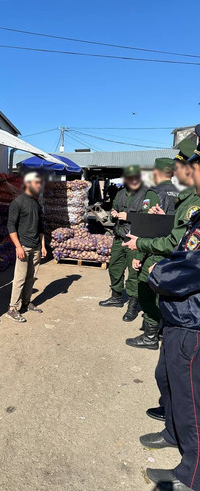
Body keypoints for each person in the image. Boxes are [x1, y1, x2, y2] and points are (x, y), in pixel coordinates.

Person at [122, 141, 200, 423]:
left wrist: (142, 245)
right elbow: (179, 234)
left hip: (189, 303)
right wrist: (163, 220)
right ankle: (171, 417)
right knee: (170, 371)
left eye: (184, 167)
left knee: (183, 375)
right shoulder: (182, 199)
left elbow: (181, 246)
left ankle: (180, 433)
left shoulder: (192, 201)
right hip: (181, 292)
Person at [140, 145, 200, 491]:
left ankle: (191, 476)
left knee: (192, 400)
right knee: (169, 379)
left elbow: (179, 269)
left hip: (192, 319)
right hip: (179, 316)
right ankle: (173, 433)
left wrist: (153, 270)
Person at [123, 158, 178, 350]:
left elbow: (147, 226)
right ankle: (162, 329)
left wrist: (139, 252)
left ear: (157, 171)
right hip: (173, 249)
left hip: (154, 251)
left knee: (146, 291)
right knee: (165, 293)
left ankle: (150, 336)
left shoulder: (153, 194)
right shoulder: (181, 194)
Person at [99, 165, 159, 322]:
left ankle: (132, 305)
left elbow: (151, 220)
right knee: (114, 267)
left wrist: (130, 216)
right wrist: (113, 214)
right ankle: (116, 296)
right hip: (119, 238)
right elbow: (113, 210)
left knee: (134, 274)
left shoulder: (148, 195)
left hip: (135, 239)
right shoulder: (120, 194)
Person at [6, 172, 47, 323]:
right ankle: (12, 308)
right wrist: (18, 246)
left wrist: (42, 246)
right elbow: (10, 225)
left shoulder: (36, 203)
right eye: (37, 183)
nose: (39, 186)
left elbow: (40, 226)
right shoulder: (18, 202)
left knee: (31, 277)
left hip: (36, 247)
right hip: (23, 246)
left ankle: (26, 302)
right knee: (20, 278)